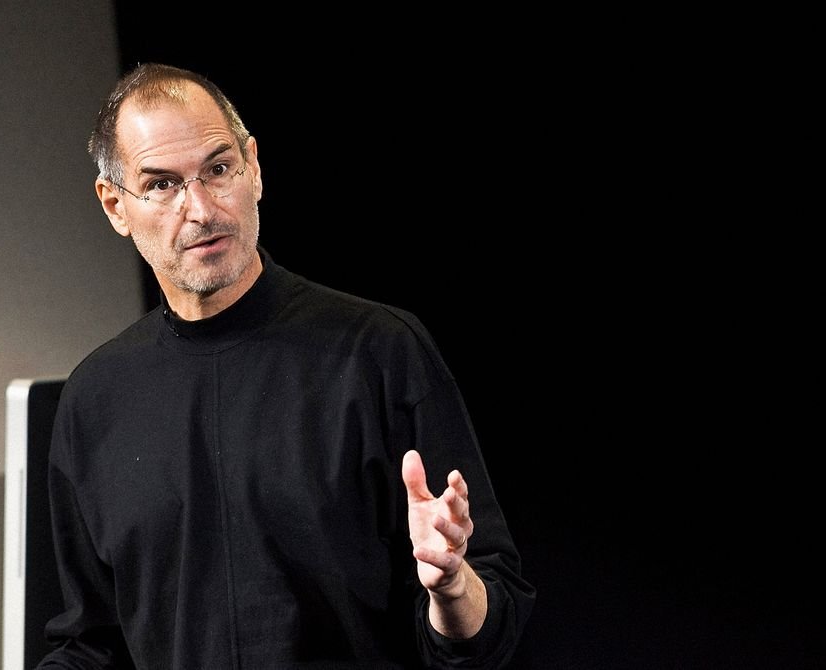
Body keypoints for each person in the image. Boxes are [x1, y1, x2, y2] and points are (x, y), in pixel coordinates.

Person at [36, 62, 535, 669]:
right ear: (115, 206)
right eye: (162, 185)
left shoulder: (377, 351)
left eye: (218, 170)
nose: (201, 209)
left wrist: (452, 588)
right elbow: (91, 644)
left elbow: (493, 615)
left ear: (254, 168)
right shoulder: (95, 398)